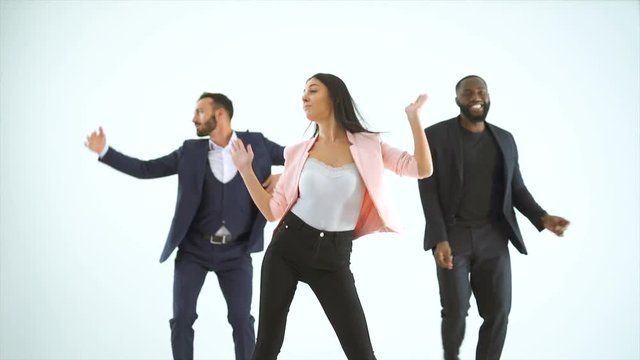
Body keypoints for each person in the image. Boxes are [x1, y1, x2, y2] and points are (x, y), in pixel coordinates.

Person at [229, 73, 433, 360]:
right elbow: (272, 210)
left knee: (361, 353)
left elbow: (421, 169)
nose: (304, 97)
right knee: (266, 348)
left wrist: (414, 118)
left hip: (334, 259)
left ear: (335, 97)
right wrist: (245, 169)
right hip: (287, 249)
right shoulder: (298, 152)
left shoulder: (369, 146)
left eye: (312, 90)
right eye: (303, 92)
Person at [83, 92, 285, 360]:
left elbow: (299, 157)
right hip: (194, 251)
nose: (194, 118)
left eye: (200, 111)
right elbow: (146, 169)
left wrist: (281, 176)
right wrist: (105, 152)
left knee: (241, 321)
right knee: (182, 319)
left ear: (221, 114)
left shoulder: (257, 144)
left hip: (236, 252)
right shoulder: (190, 152)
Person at [418, 75, 570, 360]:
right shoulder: (435, 136)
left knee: (499, 311)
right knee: (455, 309)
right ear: (457, 100)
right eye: (468, 93)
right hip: (454, 235)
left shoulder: (504, 139)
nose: (476, 96)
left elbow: (517, 189)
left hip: (494, 237)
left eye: (481, 91)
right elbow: (428, 191)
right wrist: (439, 238)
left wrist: (543, 218)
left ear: (488, 97)